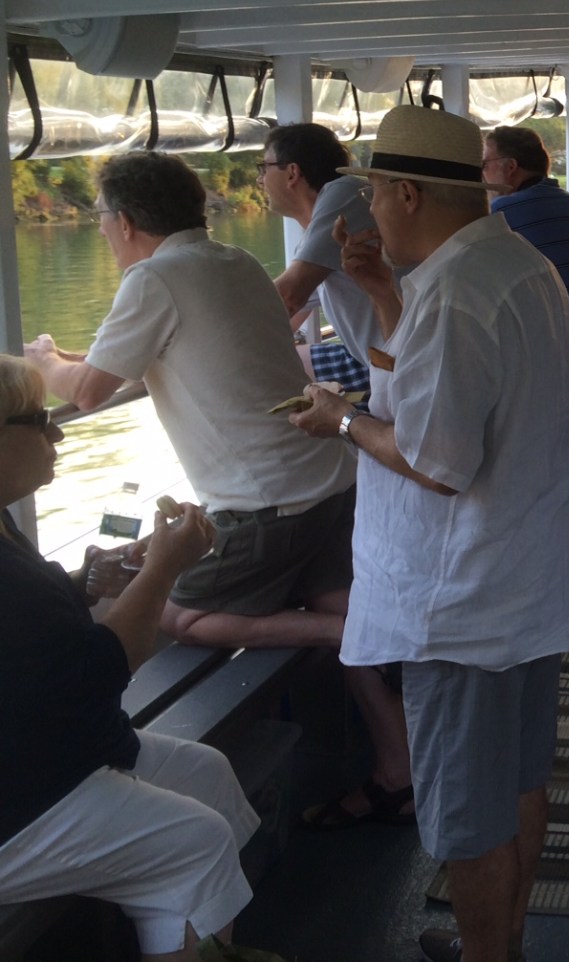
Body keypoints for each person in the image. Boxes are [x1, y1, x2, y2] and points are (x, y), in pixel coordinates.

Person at [24, 152, 411, 830]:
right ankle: (398, 765)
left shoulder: (152, 280)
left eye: (103, 221)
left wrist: (44, 363)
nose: (106, 233)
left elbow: (87, 391)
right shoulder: (232, 262)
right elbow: (128, 356)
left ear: (125, 222)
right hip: (331, 489)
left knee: (173, 614)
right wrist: (82, 360)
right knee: (339, 603)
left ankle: (344, 628)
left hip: (266, 513)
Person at [288, 104, 569, 962]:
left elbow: (436, 457)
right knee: (521, 782)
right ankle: (507, 941)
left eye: (377, 194)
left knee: (465, 815)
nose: (371, 213)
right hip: (523, 579)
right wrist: (385, 294)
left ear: (408, 192)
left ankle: (488, 952)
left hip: (460, 606)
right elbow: (432, 381)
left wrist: (339, 420)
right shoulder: (509, 265)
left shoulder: (456, 295)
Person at [0, 354, 260, 962]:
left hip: (50, 754)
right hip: (18, 804)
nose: (57, 431)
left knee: (210, 778)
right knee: (198, 843)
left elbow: (27, 632)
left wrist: (85, 582)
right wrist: (164, 568)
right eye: (38, 419)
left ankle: (201, 939)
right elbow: (100, 671)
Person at [483, 124, 569, 602]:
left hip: (561, 358)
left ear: (509, 169)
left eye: (485, 163)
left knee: (553, 462)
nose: (481, 174)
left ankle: (554, 565)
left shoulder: (499, 217)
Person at [263, 122, 382, 396]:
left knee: (276, 374)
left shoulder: (344, 193)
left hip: (395, 365)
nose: (260, 180)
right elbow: (287, 315)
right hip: (376, 361)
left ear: (292, 172)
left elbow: (287, 297)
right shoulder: (314, 242)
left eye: (264, 168)